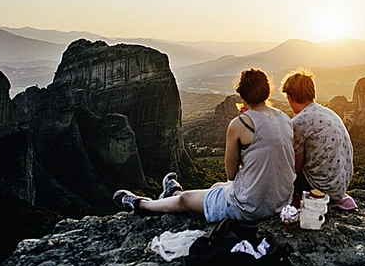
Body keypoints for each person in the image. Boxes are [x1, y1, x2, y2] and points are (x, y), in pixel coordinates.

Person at [113, 68, 295, 222]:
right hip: (280, 202)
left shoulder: (241, 124)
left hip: (251, 208)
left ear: (242, 95)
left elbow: (231, 174)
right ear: (268, 92)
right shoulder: (285, 118)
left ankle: (141, 204)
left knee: (186, 199)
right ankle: (172, 191)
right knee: (216, 186)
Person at [281, 69, 353, 203]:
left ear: (290, 97)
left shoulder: (298, 123)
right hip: (340, 187)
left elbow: (295, 167)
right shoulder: (329, 113)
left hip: (320, 189)